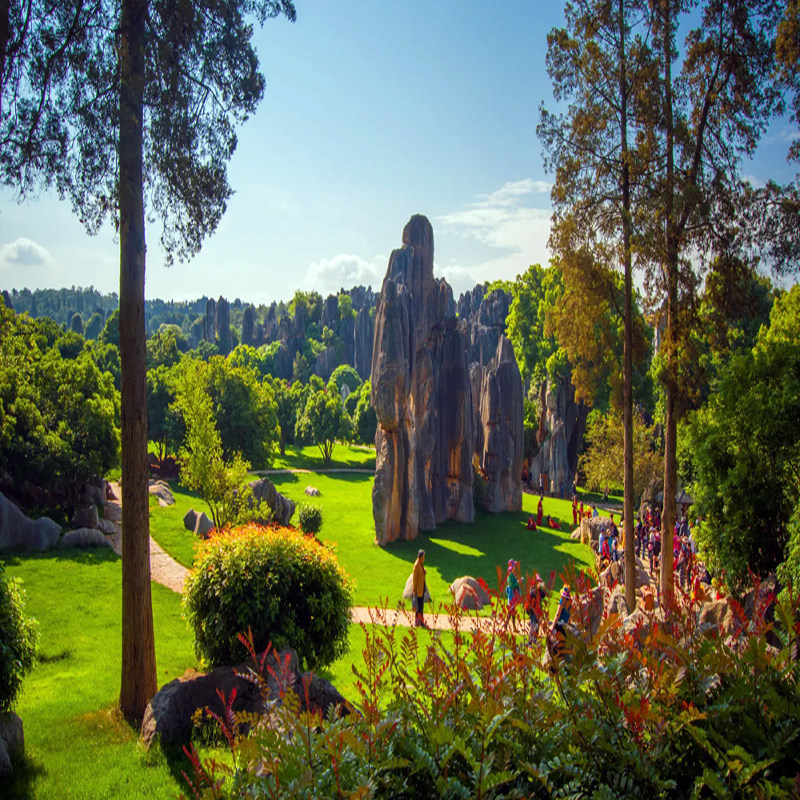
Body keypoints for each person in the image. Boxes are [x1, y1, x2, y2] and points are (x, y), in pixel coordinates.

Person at [526, 573, 547, 644]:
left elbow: (544, 595)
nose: (539, 583)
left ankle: (534, 639)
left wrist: (543, 588)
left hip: (538, 610)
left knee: (537, 625)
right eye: (537, 581)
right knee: (533, 625)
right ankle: (529, 641)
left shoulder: (539, 590)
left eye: (539, 581)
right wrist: (535, 612)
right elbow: (530, 603)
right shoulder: (532, 591)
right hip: (533, 611)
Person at [412, 549, 427, 627]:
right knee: (418, 607)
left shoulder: (421, 565)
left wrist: (424, 571)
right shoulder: (416, 566)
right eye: (423, 557)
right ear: (420, 557)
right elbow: (414, 579)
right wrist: (414, 589)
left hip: (422, 588)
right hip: (418, 590)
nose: (424, 558)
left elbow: (422, 572)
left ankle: (419, 622)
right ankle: (418, 622)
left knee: (421, 606)